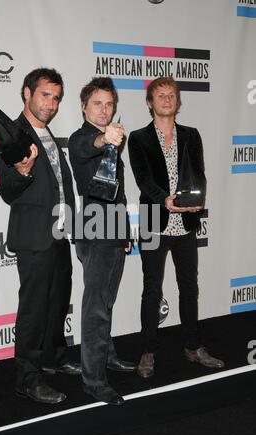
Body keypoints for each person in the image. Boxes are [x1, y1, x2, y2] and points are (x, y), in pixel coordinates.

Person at [128, 76, 224, 378]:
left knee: (189, 287)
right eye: (160, 95)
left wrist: (199, 198)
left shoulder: (192, 135)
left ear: (177, 101)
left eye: (172, 95)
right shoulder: (138, 138)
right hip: (154, 223)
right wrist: (164, 200)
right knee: (151, 290)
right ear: (149, 102)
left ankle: (193, 346)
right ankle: (148, 350)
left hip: (186, 223)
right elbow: (142, 178)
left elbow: (199, 173)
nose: (167, 100)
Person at [0, 68, 80, 404]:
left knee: (59, 299)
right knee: (33, 308)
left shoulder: (45, 133)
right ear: (27, 93)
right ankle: (27, 378)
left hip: (59, 232)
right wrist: (22, 172)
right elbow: (8, 190)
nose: (52, 103)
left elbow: (60, 186)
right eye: (45, 95)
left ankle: (53, 358)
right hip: (33, 236)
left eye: (57, 97)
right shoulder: (12, 135)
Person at [68, 77, 135, 405]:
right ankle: (93, 380)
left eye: (109, 104)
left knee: (104, 302)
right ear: (83, 106)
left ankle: (105, 356)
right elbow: (84, 147)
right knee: (96, 309)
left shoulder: (112, 140)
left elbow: (116, 194)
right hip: (96, 233)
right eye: (97, 103)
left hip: (111, 231)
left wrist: (124, 233)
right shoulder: (82, 138)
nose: (104, 109)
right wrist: (103, 138)